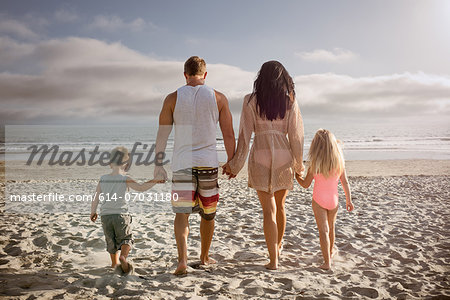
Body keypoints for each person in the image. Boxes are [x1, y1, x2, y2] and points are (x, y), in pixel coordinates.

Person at [154, 56, 235, 275]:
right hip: (207, 164)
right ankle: (204, 257)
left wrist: (158, 164)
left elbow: (162, 134)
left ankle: (182, 261)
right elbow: (228, 133)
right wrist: (232, 161)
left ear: (185, 74)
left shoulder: (172, 98)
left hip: (182, 164)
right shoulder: (218, 98)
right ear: (205, 75)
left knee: (182, 214)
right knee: (208, 214)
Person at [222, 60, 304, 270]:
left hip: (260, 154)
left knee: (268, 211)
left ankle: (273, 260)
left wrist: (235, 164)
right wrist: (298, 166)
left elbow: (245, 135)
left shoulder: (250, 100)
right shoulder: (290, 101)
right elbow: (296, 136)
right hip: (284, 155)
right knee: (281, 207)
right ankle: (277, 249)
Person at [90, 146, 164, 275]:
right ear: (126, 164)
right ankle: (123, 257)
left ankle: (114, 263)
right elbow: (141, 188)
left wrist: (93, 211)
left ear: (109, 164)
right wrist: (155, 180)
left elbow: (96, 197)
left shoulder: (103, 178)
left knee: (110, 240)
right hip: (121, 214)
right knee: (126, 238)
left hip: (105, 215)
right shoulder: (125, 178)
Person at [295, 129, 354, 270]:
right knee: (331, 228)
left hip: (319, 201)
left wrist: (297, 176)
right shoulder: (339, 162)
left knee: (323, 231)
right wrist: (349, 200)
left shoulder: (314, 164)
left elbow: (305, 185)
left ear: (316, 146)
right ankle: (331, 251)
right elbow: (345, 182)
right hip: (334, 201)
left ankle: (327, 263)